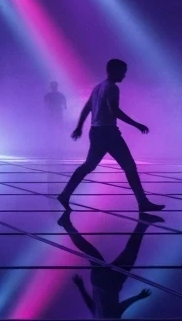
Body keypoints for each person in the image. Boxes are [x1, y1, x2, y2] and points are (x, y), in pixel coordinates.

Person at [58, 59, 164, 213]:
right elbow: (114, 111)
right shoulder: (112, 88)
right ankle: (143, 203)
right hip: (109, 133)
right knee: (129, 166)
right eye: (122, 72)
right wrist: (137, 124)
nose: (124, 75)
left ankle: (65, 194)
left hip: (96, 132)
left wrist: (79, 127)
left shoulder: (98, 87)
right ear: (113, 71)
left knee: (88, 166)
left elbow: (87, 108)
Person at [59, 211, 153, 321]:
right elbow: (92, 306)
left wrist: (139, 297)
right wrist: (80, 286)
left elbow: (120, 308)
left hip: (109, 283)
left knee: (129, 253)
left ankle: (143, 222)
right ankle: (66, 224)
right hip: (99, 282)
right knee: (94, 251)